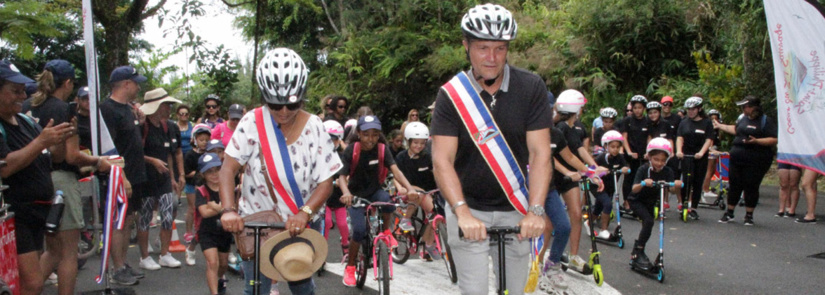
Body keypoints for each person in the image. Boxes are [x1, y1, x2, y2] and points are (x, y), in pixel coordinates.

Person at [430, 4, 550, 294]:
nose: (492, 58)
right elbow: (442, 160)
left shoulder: (530, 87)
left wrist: (535, 210)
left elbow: (540, 154)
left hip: (516, 208)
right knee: (475, 291)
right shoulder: (452, 95)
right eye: (483, 48)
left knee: (517, 290)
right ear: (466, 46)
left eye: (500, 48)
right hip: (469, 208)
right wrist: (462, 212)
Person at [218, 48, 342, 295]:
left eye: (292, 104)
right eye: (275, 105)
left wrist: (305, 212)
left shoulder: (315, 126)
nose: (284, 111)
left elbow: (326, 181)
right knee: (255, 288)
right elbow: (227, 169)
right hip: (257, 223)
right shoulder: (251, 123)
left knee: (302, 286)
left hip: (300, 222)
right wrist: (229, 210)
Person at [22, 59, 111, 295]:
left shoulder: (26, 106)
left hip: (29, 179)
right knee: (67, 252)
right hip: (60, 180)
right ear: (68, 83)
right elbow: (70, 156)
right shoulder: (63, 109)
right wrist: (97, 161)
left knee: (50, 250)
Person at [1, 60, 74, 295]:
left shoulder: (25, 122)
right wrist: (42, 141)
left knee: (49, 261)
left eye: (24, 90)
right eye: (15, 91)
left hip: (39, 210)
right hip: (16, 213)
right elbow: (5, 167)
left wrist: (60, 138)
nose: (22, 96)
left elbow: (52, 157)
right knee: (32, 282)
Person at [339, 115, 418, 286]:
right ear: (359, 133)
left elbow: (396, 171)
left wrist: (409, 188)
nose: (371, 139)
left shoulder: (383, 149)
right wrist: (346, 193)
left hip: (375, 191)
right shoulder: (351, 150)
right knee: (359, 231)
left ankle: (387, 233)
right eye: (366, 134)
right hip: (356, 195)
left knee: (388, 203)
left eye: (375, 134)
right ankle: (350, 267)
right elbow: (342, 176)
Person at [99, 65, 150, 285]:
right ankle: (117, 267)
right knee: (118, 222)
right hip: (120, 176)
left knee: (128, 219)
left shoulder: (128, 109)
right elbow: (108, 148)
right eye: (136, 83)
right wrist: (122, 177)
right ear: (126, 84)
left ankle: (123, 262)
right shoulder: (107, 110)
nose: (138, 87)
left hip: (135, 174)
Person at [554, 89, 603, 272]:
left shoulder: (573, 126)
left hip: (571, 176)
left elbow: (580, 150)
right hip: (556, 176)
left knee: (576, 214)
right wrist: (589, 171)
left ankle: (574, 256)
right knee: (551, 221)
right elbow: (564, 156)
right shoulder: (560, 128)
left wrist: (594, 168)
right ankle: (543, 256)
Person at [136, 88, 184, 270]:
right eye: (166, 104)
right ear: (156, 106)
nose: (169, 108)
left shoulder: (167, 127)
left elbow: (169, 154)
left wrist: (172, 176)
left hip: (163, 178)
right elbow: (135, 153)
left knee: (167, 213)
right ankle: (144, 256)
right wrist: (152, 161)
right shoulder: (142, 127)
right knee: (145, 216)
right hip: (146, 178)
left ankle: (165, 253)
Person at [713, 96, 777, 225]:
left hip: (757, 159)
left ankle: (749, 215)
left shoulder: (765, 121)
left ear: (753, 107)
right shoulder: (742, 118)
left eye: (745, 107)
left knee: (751, 185)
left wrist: (757, 141)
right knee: (734, 184)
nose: (743, 109)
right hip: (737, 157)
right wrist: (720, 126)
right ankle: (729, 212)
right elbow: (736, 130)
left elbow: (774, 139)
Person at [628, 138, 679, 270]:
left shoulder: (667, 171)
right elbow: (634, 189)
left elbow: (672, 190)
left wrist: (676, 185)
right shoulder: (643, 169)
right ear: (650, 157)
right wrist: (644, 183)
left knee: (649, 225)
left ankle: (638, 249)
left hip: (651, 202)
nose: (659, 163)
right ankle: (638, 250)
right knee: (649, 221)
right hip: (637, 200)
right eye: (656, 159)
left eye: (663, 160)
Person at [393, 122, 440, 260]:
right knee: (417, 193)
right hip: (408, 192)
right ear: (408, 142)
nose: (419, 146)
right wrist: (399, 187)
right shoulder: (401, 157)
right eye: (415, 143)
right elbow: (396, 175)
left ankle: (429, 244)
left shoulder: (427, 157)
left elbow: (436, 172)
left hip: (426, 192)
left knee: (435, 216)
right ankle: (406, 219)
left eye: (422, 143)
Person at [195, 153, 233, 295]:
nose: (214, 174)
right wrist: (224, 208)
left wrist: (217, 207)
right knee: (212, 263)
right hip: (207, 232)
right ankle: (214, 292)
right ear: (203, 174)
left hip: (225, 231)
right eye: (209, 171)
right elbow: (204, 212)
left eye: (217, 169)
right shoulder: (202, 191)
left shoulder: (228, 187)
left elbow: (234, 207)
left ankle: (220, 277)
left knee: (223, 264)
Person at [676, 96, 714, 220]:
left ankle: (694, 207)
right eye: (689, 109)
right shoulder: (684, 122)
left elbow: (709, 139)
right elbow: (680, 137)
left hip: (699, 156)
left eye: (693, 109)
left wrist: (702, 152)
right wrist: (679, 151)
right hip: (687, 156)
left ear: (699, 109)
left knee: (697, 182)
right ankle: (684, 204)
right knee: (686, 181)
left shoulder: (706, 122)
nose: (691, 112)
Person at [183, 123, 212, 265]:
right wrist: (201, 174)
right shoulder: (190, 154)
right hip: (193, 187)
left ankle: (226, 252)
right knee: (198, 215)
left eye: (207, 139)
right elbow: (187, 172)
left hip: (209, 187)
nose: (204, 142)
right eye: (201, 139)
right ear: (195, 139)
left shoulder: (211, 154)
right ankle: (191, 246)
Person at [593, 131, 630, 239]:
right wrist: (604, 171)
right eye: (612, 147)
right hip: (598, 186)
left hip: (611, 187)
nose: (615, 149)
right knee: (608, 204)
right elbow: (591, 170)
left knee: (598, 208)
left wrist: (625, 169)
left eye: (618, 147)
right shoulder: (601, 158)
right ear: (606, 146)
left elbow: (626, 168)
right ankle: (603, 230)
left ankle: (588, 222)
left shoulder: (620, 158)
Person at [322, 120, 350, 256]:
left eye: (333, 140)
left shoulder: (342, 157)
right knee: (326, 222)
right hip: (324, 198)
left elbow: (347, 174)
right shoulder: (319, 158)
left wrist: (344, 181)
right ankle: (322, 249)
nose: (330, 143)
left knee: (343, 224)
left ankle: (345, 244)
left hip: (338, 197)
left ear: (339, 141)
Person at [620, 95, 649, 212]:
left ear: (644, 108)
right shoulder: (628, 120)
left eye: (640, 108)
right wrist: (629, 152)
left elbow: (649, 137)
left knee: (641, 178)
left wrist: (648, 152)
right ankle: (626, 202)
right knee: (628, 179)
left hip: (643, 155)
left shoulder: (647, 121)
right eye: (635, 108)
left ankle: (637, 202)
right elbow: (624, 137)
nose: (637, 110)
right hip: (630, 155)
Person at [702, 109, 723, 200]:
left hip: (714, 149)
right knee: (709, 170)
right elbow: (709, 142)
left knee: (713, 171)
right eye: (712, 119)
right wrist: (712, 151)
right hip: (711, 151)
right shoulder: (710, 129)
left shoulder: (717, 129)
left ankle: (706, 186)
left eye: (716, 119)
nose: (714, 121)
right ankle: (705, 190)